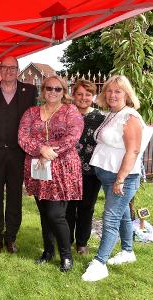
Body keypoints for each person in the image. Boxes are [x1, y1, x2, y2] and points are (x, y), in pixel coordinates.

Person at [82, 75, 149, 282]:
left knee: (110, 218)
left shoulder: (130, 117)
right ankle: (128, 251)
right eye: (109, 91)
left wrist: (120, 179)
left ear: (127, 95)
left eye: (117, 91)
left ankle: (100, 263)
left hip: (122, 178)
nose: (112, 95)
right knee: (120, 216)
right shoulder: (112, 114)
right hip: (107, 174)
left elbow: (134, 150)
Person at [18, 75, 84, 272]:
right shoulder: (31, 112)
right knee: (45, 213)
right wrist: (40, 150)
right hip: (39, 169)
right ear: (43, 90)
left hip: (62, 168)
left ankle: (66, 256)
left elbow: (72, 136)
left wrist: (50, 151)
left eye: (57, 89)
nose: (52, 92)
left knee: (56, 214)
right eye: (49, 88)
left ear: (64, 91)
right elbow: (22, 136)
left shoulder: (70, 111)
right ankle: (48, 252)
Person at [0, 56, 37, 254]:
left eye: (13, 67)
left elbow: (33, 121)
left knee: (14, 196)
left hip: (18, 153)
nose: (9, 71)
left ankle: (11, 237)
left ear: (18, 70)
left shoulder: (29, 91)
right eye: (5, 67)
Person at [65, 80, 105, 255]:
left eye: (88, 94)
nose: (83, 98)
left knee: (86, 208)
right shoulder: (66, 114)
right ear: (73, 95)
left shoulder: (101, 118)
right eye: (80, 94)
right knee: (67, 208)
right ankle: (66, 240)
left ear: (93, 96)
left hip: (91, 172)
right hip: (67, 171)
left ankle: (82, 242)